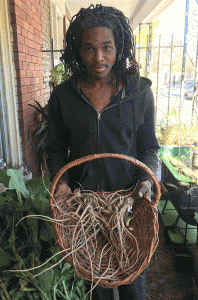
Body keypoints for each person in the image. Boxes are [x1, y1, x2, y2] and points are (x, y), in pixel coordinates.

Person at [45, 4, 159, 299]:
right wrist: (63, 186)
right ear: (77, 51)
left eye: (107, 47)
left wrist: (146, 182)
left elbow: (150, 148)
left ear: (119, 47)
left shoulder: (140, 93)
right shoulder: (63, 98)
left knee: (134, 288)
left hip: (129, 210)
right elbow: (56, 150)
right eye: (89, 48)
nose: (98, 57)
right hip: (86, 212)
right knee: (98, 290)